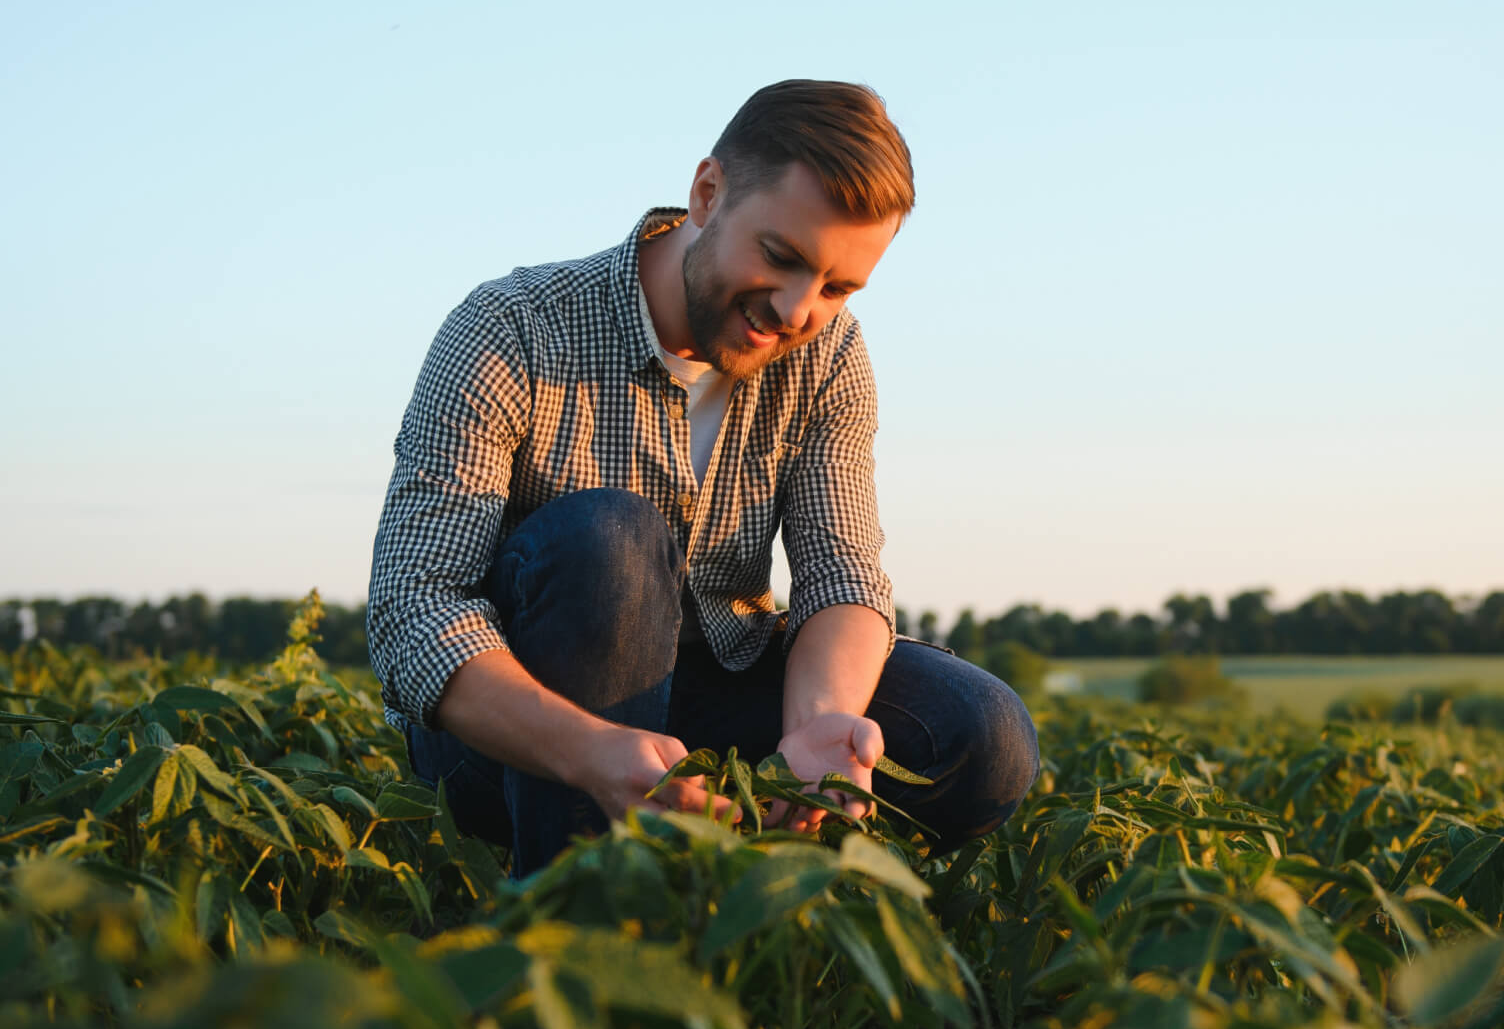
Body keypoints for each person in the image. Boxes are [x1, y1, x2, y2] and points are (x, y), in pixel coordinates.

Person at [366, 79, 1038, 877]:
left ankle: (756, 858)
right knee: (610, 538)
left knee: (980, 732)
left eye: (836, 287)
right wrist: (588, 749)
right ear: (707, 193)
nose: (796, 309)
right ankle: (574, 907)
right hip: (521, 731)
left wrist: (817, 726)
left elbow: (842, 570)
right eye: (781, 257)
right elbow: (414, 605)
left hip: (715, 690)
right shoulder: (513, 327)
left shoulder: (829, 357)